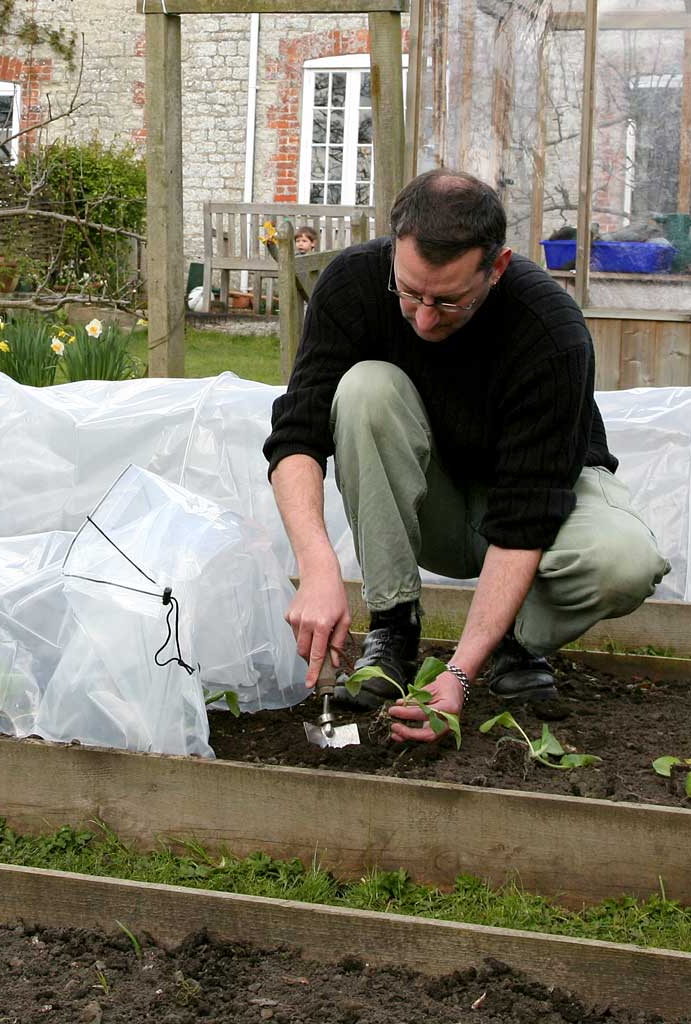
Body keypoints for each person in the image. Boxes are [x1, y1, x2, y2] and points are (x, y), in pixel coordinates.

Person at [263, 169, 670, 743]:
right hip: (438, 505)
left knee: (625, 562)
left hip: (542, 507)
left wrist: (457, 674)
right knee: (364, 389)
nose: (425, 318)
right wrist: (318, 568)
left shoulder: (550, 329)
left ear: (496, 268)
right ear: (395, 249)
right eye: (410, 293)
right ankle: (394, 630)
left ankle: (513, 643)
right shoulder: (352, 284)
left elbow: (527, 515)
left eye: (450, 301)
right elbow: (296, 435)